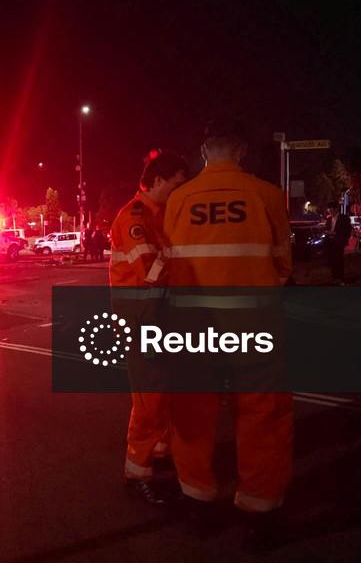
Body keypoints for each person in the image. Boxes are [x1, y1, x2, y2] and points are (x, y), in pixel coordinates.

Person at [163, 119, 293, 528]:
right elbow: (283, 264)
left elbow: (171, 263)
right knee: (260, 410)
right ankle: (259, 503)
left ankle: (197, 495)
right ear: (241, 152)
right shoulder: (268, 195)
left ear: (204, 152)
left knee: (193, 407)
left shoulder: (180, 199)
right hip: (252, 321)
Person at [110, 150, 187, 505]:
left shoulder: (158, 215)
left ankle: (158, 453)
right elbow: (151, 269)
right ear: (157, 181)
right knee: (149, 398)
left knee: (164, 392)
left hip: (156, 314)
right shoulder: (134, 218)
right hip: (142, 318)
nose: (178, 192)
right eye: (175, 185)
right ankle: (136, 471)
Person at [325, 201, 352, 285]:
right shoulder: (329, 219)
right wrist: (327, 233)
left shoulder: (343, 218)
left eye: (331, 209)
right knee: (332, 260)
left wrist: (336, 233)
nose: (330, 211)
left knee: (339, 259)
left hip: (339, 241)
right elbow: (327, 228)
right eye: (329, 209)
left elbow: (347, 230)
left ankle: (340, 278)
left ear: (336, 209)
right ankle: (334, 277)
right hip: (330, 242)